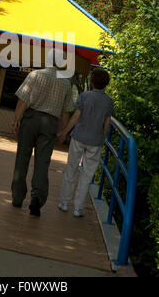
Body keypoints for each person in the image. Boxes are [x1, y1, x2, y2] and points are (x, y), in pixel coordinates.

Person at [11, 51, 73, 217]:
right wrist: (63, 132)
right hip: (50, 124)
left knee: (22, 158)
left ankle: (17, 197)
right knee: (42, 162)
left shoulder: (34, 75)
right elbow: (66, 112)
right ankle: (37, 198)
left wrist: (16, 121)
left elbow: (23, 101)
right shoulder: (66, 84)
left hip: (30, 119)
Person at [58, 67, 114, 217]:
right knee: (87, 175)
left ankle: (64, 202)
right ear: (106, 84)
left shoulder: (85, 95)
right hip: (95, 141)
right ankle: (78, 208)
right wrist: (102, 138)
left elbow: (76, 117)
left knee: (71, 169)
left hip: (79, 137)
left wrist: (64, 133)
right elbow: (107, 123)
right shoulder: (109, 102)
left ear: (92, 81)